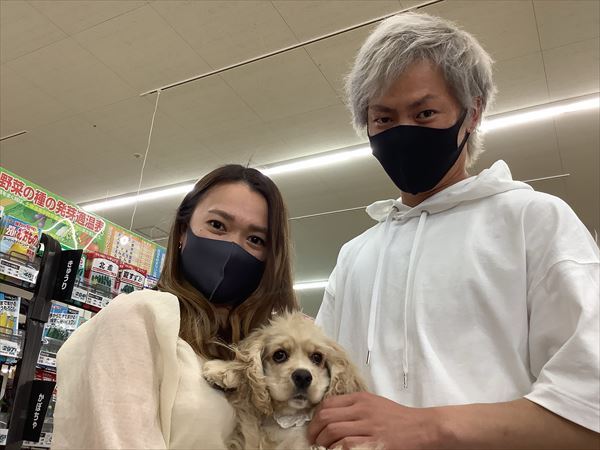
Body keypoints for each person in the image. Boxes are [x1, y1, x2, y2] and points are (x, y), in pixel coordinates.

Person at [309, 12, 599, 450]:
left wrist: (425, 427)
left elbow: (588, 410)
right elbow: (316, 391)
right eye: (383, 119)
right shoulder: (355, 256)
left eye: (424, 113)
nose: (402, 132)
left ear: (472, 113)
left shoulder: (534, 222)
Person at [53, 165, 297, 449]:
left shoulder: (258, 351)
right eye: (218, 225)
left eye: (255, 240)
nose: (233, 247)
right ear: (183, 231)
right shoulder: (139, 316)